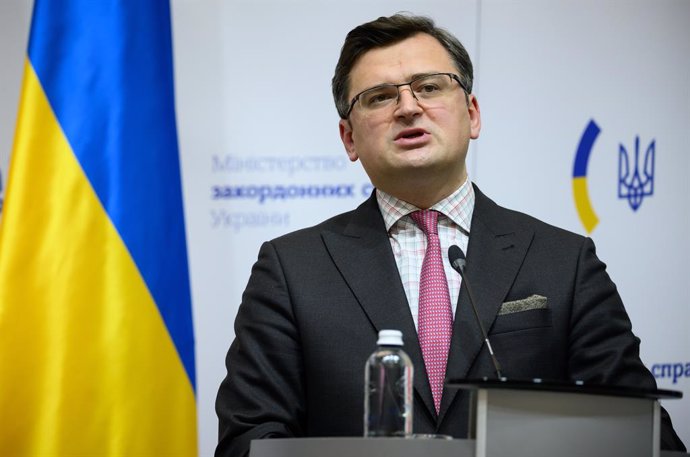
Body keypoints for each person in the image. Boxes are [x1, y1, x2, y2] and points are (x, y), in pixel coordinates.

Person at [215, 13, 686, 456]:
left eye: (429, 87)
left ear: (473, 113)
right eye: (379, 96)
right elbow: (250, 439)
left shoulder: (564, 261)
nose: (407, 107)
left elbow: (640, 433)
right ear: (349, 139)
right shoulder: (292, 268)